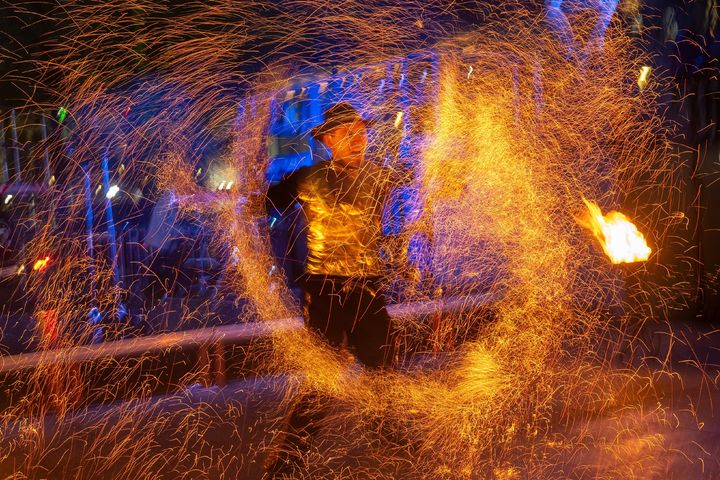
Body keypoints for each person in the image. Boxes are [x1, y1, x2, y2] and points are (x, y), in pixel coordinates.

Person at [263, 102, 397, 477]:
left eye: (361, 132)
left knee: (383, 366)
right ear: (328, 141)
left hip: (367, 285)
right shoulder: (307, 178)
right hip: (325, 288)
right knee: (322, 376)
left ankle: (388, 436)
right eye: (347, 133)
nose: (357, 139)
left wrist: (447, 175)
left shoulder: (381, 175)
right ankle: (288, 461)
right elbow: (263, 203)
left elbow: (430, 183)